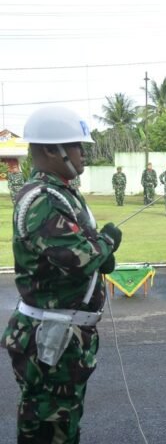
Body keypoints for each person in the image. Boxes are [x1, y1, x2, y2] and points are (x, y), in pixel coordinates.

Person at [1, 106, 121, 443]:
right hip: (49, 334)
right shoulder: (43, 199)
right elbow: (77, 257)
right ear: (51, 150)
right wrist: (107, 244)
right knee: (46, 427)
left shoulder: (61, 193)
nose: (83, 153)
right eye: (76, 146)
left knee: (61, 421)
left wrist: (101, 253)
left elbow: (82, 252)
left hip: (63, 333)